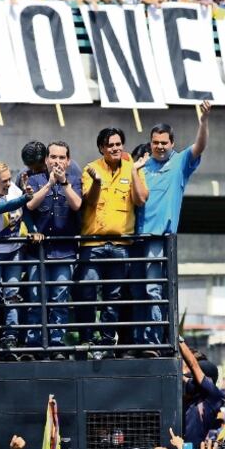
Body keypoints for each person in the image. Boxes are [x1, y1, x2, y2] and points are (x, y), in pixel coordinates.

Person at [134, 104, 210, 352]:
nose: (160, 146)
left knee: (155, 290)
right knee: (138, 291)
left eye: (164, 142)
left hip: (160, 239)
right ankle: (141, 338)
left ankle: (155, 339)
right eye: (155, 142)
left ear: (172, 143)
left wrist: (203, 122)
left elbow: (199, 146)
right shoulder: (142, 166)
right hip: (136, 238)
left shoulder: (179, 163)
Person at [73, 127, 148, 357]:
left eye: (118, 144)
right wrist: (96, 182)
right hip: (92, 245)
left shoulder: (132, 168)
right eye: (109, 145)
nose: (114, 148)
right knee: (86, 291)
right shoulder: (90, 169)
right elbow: (91, 201)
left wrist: (134, 171)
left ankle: (106, 343)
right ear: (101, 148)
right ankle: (87, 340)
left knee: (112, 297)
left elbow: (141, 199)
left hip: (120, 246)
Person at [0, 161, 48, 359]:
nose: (8, 183)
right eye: (4, 181)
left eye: (9, 179)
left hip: (14, 250)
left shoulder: (14, 189)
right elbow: (7, 206)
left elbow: (23, 214)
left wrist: (33, 231)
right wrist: (25, 197)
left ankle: (11, 336)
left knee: (12, 294)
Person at [22, 141, 83, 358]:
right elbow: (29, 206)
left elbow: (77, 205)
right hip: (37, 252)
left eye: (61, 158)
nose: (57, 162)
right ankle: (34, 344)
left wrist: (63, 182)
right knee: (36, 300)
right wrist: (49, 184)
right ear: (47, 159)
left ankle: (56, 343)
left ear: (68, 161)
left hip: (64, 251)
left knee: (59, 299)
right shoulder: (34, 180)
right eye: (53, 157)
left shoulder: (75, 180)